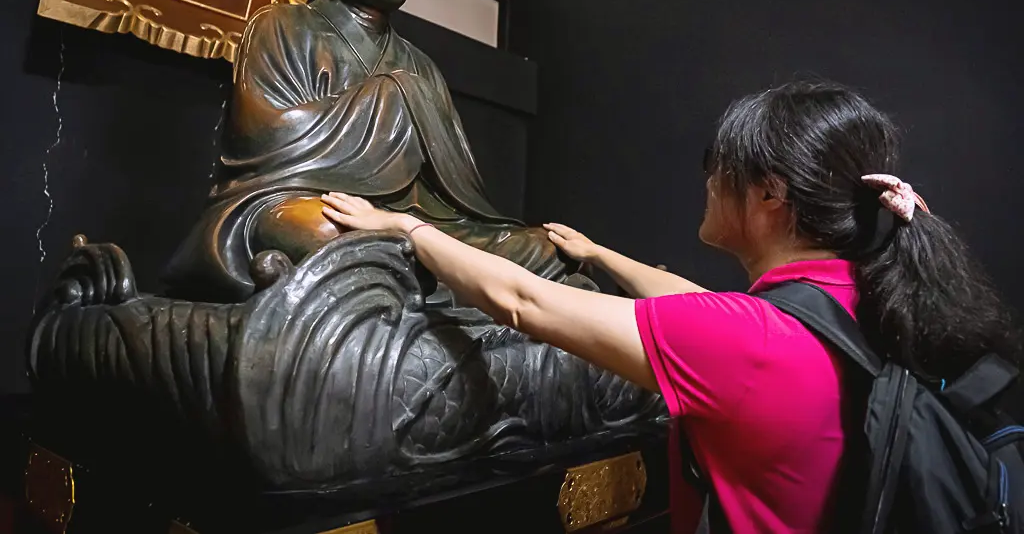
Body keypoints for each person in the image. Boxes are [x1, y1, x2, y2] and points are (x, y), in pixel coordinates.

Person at [320, 81, 1022, 533]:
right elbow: (696, 305)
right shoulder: (864, 295)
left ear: (771, 194)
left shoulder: (745, 343)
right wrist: (598, 254)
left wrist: (407, 227)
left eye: (719, 171)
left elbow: (522, 299)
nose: (709, 185)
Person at [163, 0, 582, 302]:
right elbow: (264, 141)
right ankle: (424, 280)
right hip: (304, 200)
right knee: (328, 234)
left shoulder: (422, 66)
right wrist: (392, 99)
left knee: (543, 249)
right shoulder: (283, 26)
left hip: (414, 221)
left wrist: (405, 216)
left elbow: (455, 190)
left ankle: (416, 276)